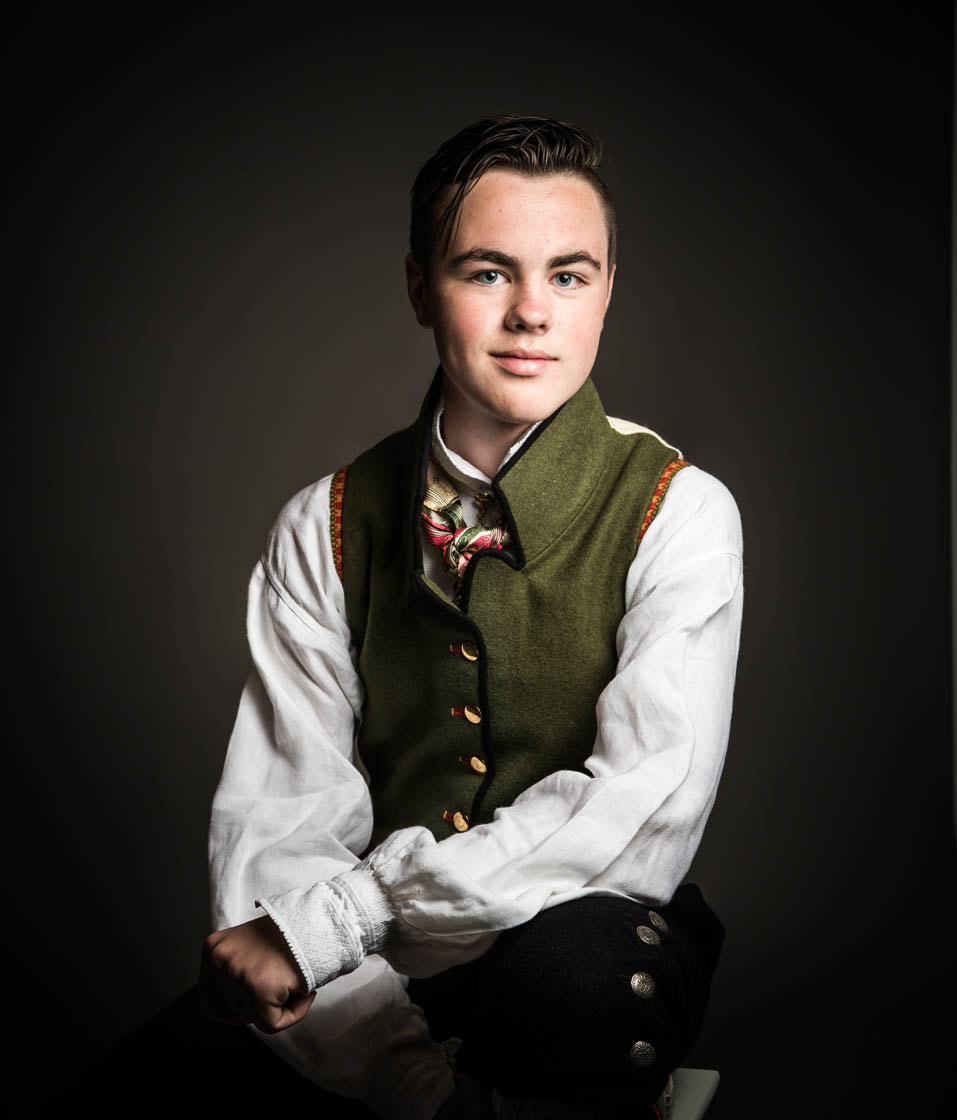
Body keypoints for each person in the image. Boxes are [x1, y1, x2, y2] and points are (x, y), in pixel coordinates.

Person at [200, 115, 743, 1119]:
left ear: (607, 291)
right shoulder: (323, 523)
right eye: (488, 272)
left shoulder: (680, 510)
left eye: (569, 276)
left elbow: (640, 812)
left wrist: (342, 918)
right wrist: (409, 1080)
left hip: (582, 953)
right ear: (421, 289)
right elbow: (280, 830)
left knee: (569, 972)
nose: (532, 312)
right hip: (384, 975)